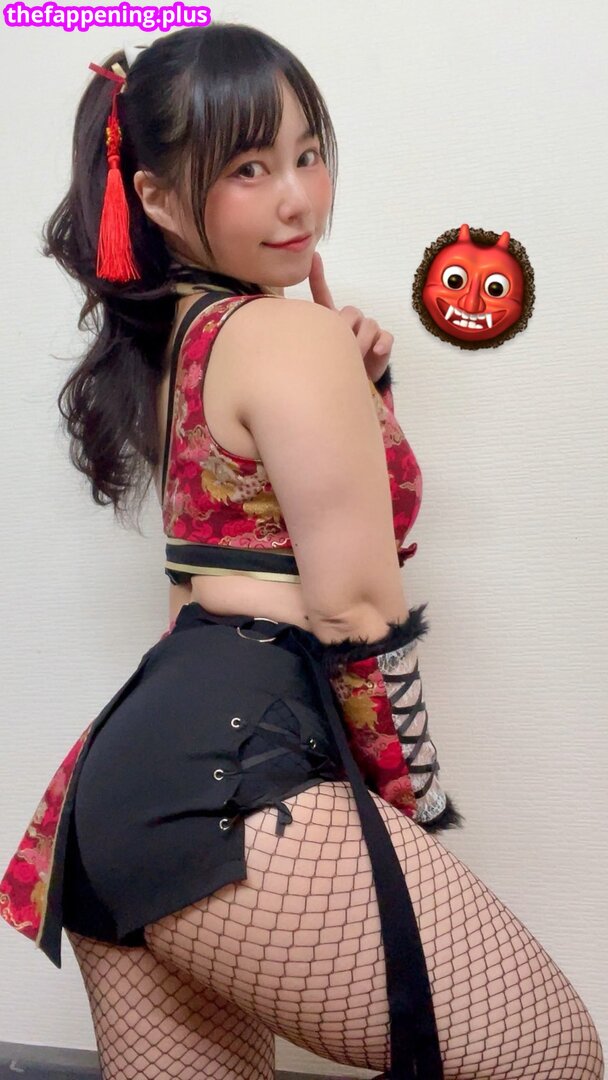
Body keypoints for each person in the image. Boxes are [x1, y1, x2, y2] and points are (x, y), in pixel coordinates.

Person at [0, 22, 604, 1080]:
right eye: (248, 168)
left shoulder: (183, 340)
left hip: (121, 790)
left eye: (308, 154)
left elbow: (232, 559)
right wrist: (407, 812)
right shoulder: (290, 336)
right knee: (553, 1057)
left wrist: (358, 389)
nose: (298, 200)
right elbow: (353, 609)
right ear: (155, 199)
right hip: (233, 776)